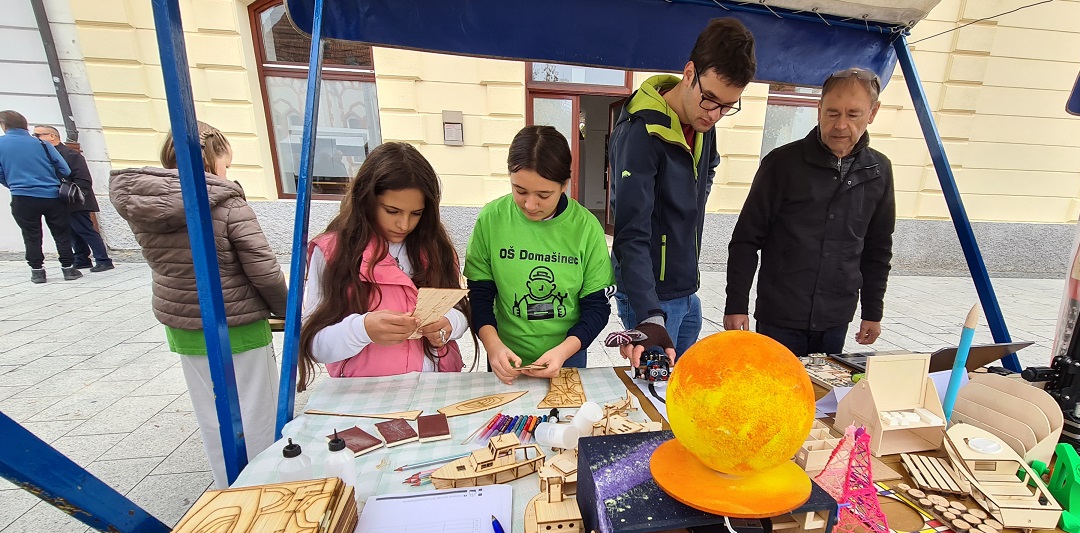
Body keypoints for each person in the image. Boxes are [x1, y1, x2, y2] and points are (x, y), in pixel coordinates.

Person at [109, 121, 288, 488]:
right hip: (236, 322)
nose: (227, 173)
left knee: (212, 415)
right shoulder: (227, 202)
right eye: (226, 164)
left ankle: (228, 486)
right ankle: (267, 486)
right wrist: (286, 309)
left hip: (183, 323)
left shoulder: (141, 203)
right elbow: (263, 268)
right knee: (259, 411)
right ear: (212, 161)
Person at [608, 18, 756, 366]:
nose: (716, 114)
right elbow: (630, 235)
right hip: (651, 294)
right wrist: (649, 314)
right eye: (711, 99)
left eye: (728, 106)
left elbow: (710, 165)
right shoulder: (641, 132)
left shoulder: (704, 122)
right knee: (656, 389)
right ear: (690, 73)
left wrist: (691, 204)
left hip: (686, 287)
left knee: (686, 383)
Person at [724, 67, 895, 357]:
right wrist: (736, 305)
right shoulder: (782, 164)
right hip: (780, 314)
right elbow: (746, 240)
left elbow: (878, 249)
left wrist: (872, 311)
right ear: (819, 110)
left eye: (853, 114)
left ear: (872, 113)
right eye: (832, 113)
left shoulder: (878, 170)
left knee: (824, 386)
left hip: (835, 317)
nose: (841, 125)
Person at [298, 142, 469, 389]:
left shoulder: (436, 248)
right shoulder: (333, 252)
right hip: (366, 394)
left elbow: (459, 309)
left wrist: (450, 323)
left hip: (435, 388)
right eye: (392, 211)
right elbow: (314, 344)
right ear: (366, 200)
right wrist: (362, 330)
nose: (404, 224)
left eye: (416, 213)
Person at [464, 126, 614, 385]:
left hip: (567, 355)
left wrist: (564, 351)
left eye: (543, 195)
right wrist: (493, 345)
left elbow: (597, 306)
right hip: (504, 355)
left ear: (564, 185)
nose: (530, 205)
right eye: (520, 191)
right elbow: (479, 295)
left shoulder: (586, 228)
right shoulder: (492, 219)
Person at [0, 110, 79, 284]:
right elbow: (64, 169)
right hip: (52, 196)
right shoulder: (42, 144)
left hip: (22, 197)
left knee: (31, 234)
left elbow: (0, 173)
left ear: (4, 125)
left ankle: (37, 271)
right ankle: (68, 269)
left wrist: (13, 183)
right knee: (61, 233)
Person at [33, 125, 114, 272]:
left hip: (75, 199)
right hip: (60, 200)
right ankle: (82, 259)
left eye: (38, 135)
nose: (35, 138)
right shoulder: (46, 155)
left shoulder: (70, 154)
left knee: (85, 229)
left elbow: (83, 179)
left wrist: (74, 195)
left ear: (52, 136)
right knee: (71, 232)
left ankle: (103, 259)